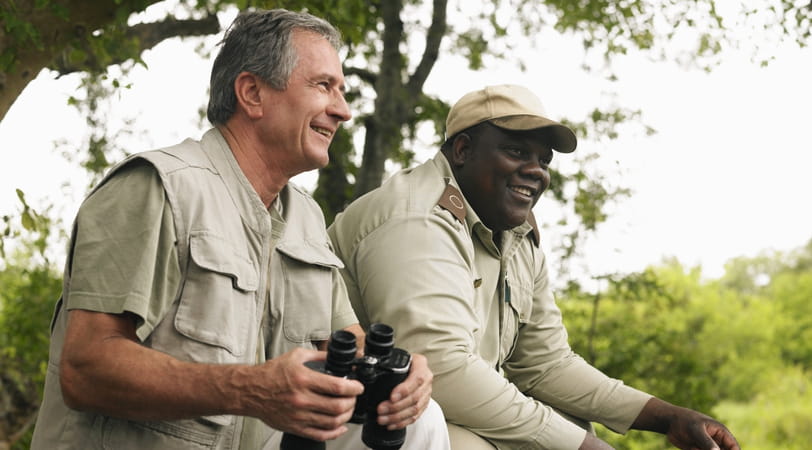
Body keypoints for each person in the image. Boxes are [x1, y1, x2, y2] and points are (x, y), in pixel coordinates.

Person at [30, 8, 449, 450]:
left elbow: (348, 342)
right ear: (252, 94)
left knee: (421, 419)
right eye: (323, 86)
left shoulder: (306, 218)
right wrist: (251, 389)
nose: (343, 111)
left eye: (341, 91)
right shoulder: (157, 187)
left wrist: (402, 372)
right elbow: (85, 369)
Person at [327, 84, 740, 450]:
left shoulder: (514, 233)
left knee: (572, 424)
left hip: (431, 410)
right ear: (463, 150)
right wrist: (584, 447)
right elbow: (444, 369)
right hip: (350, 420)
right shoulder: (416, 217)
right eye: (516, 151)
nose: (535, 171)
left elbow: (547, 364)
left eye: (544, 160)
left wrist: (667, 417)